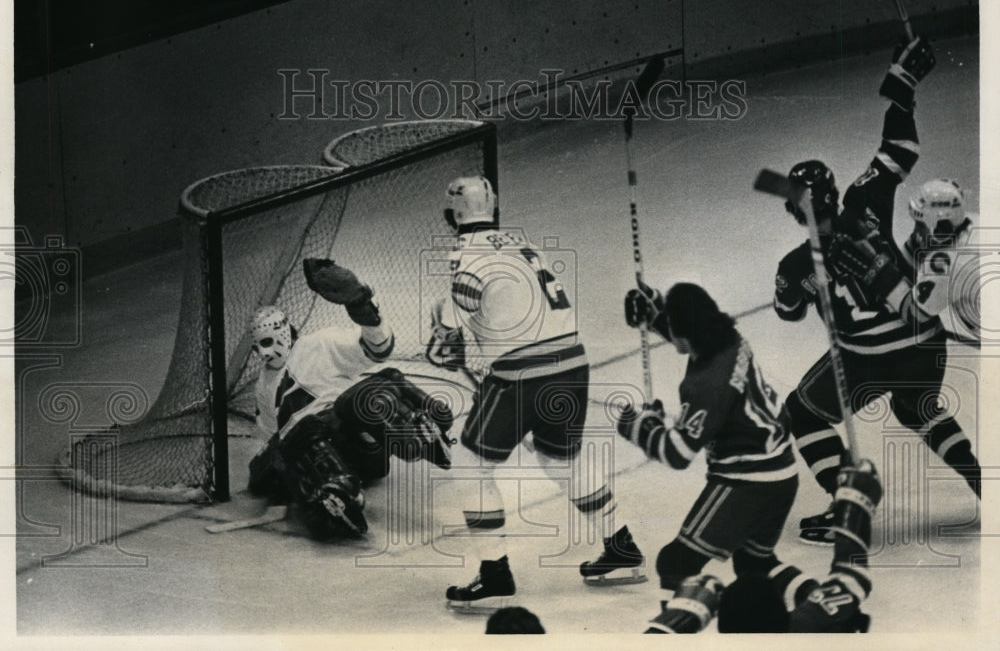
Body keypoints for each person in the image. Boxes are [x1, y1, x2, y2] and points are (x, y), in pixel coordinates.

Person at [773, 35, 980, 545]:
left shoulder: (797, 262)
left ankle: (851, 504)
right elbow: (898, 152)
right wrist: (902, 89)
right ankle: (986, 485)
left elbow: (787, 312)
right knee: (917, 408)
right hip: (924, 341)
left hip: (864, 359)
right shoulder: (864, 201)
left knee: (800, 412)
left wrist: (789, 288)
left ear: (795, 210)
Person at [432, 176, 645, 614]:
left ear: (453, 214)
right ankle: (621, 547)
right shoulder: (522, 242)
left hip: (521, 375)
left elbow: (453, 325)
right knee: (559, 460)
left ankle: (495, 576)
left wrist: (442, 334)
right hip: (572, 363)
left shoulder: (463, 255)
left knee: (471, 466)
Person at [617, 282, 798, 634]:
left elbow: (678, 453)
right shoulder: (730, 338)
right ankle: (813, 601)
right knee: (753, 565)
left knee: (676, 561)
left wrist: (639, 426)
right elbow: (692, 338)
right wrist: (656, 314)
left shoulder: (707, 386)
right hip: (781, 472)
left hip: (747, 481)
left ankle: (673, 634)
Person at [247, 258, 453, 540]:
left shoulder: (319, 344)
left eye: (267, 342)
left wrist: (360, 305)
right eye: (256, 346)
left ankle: (420, 429)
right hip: (322, 455)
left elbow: (377, 348)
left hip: (361, 441)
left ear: (284, 332)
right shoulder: (263, 386)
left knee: (366, 392)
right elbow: (272, 437)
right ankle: (338, 496)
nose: (261, 353)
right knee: (297, 435)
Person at [651, 459, 882, 633]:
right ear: (785, 616)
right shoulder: (798, 629)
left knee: (676, 560)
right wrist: (854, 505)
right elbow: (852, 577)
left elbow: (851, 581)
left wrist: (679, 619)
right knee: (755, 563)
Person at [902, 178, 980, 344]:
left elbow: (913, 315)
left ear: (941, 228)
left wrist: (878, 271)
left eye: (920, 225)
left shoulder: (947, 263)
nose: (916, 232)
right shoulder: (973, 222)